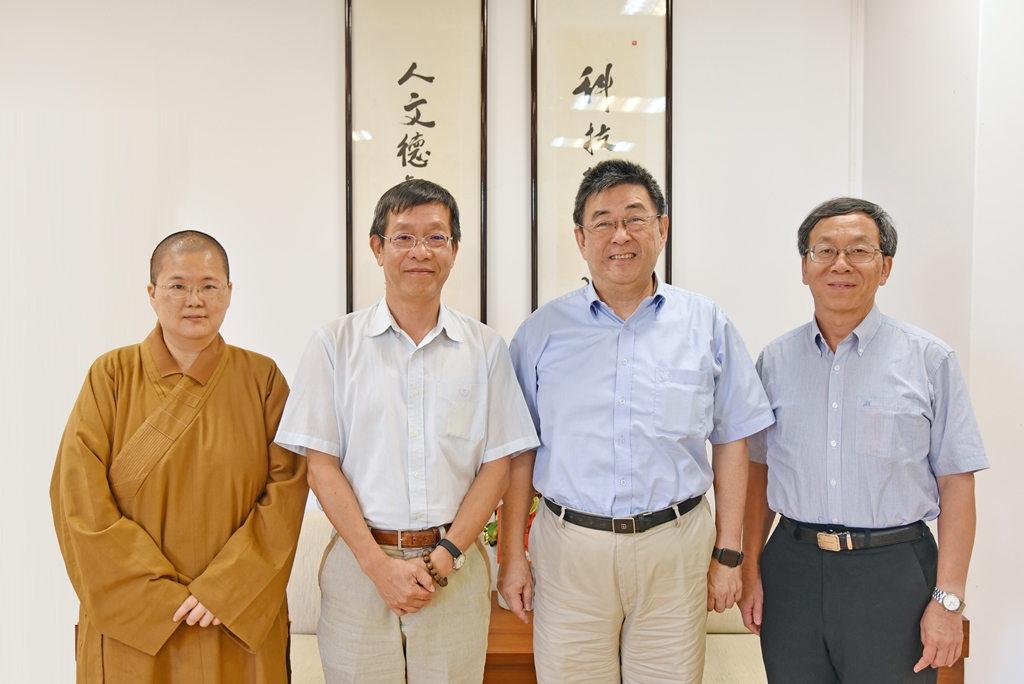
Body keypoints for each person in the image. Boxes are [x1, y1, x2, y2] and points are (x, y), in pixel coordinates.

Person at [499, 159, 774, 684]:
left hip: (675, 545)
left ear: (662, 228)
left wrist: (729, 552)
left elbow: (733, 440)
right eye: (602, 222)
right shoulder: (540, 332)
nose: (620, 235)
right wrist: (511, 554)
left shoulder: (706, 323)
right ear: (580, 238)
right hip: (570, 548)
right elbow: (518, 453)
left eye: (635, 218)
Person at [274, 179, 539, 684]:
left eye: (436, 237)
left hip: (455, 567)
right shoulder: (334, 345)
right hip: (359, 566)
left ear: (454, 250)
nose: (421, 251)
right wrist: (378, 567)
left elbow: (498, 465)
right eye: (403, 237)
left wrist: (444, 558)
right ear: (377, 248)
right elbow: (320, 468)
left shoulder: (485, 349)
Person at [740, 197, 989, 683]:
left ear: (885, 267)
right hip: (793, 568)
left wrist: (949, 600)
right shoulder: (774, 362)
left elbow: (957, 485)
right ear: (805, 267)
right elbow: (758, 472)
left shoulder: (930, 361)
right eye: (825, 251)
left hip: (893, 572)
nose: (841, 264)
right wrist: (751, 569)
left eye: (859, 251)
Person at [50, 231, 309, 683]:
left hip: (234, 616)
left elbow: (288, 491)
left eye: (209, 285)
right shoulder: (111, 375)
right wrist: (154, 595)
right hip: (136, 622)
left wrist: (225, 589)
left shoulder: (262, 379)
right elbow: (78, 497)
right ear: (152, 294)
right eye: (177, 285)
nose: (195, 300)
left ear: (229, 292)